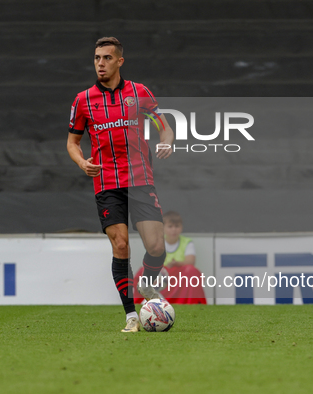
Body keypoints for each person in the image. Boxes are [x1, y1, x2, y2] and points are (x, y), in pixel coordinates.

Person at [66, 37, 175, 332]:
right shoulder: (83, 100)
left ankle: (147, 283)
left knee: (156, 246)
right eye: (97, 58)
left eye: (106, 58)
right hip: (107, 183)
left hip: (140, 180)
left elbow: (163, 126)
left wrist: (166, 142)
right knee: (121, 244)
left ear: (119, 61)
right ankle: (130, 314)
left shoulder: (139, 93)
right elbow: (72, 142)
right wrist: (81, 162)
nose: (100, 63)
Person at [133, 211, 207, 304]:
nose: (173, 230)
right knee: (143, 271)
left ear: (181, 228)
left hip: (179, 276)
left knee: (191, 271)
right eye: (170, 226)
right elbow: (151, 259)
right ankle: (144, 300)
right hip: (161, 275)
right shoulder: (157, 242)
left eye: (177, 226)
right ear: (163, 228)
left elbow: (191, 261)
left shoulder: (187, 242)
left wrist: (177, 264)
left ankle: (192, 302)